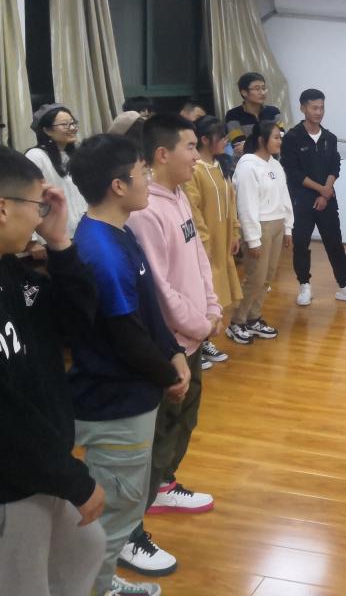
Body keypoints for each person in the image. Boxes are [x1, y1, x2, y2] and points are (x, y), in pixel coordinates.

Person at [69, 134, 190, 596]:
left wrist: (173, 351)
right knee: (117, 511)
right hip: (117, 404)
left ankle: (100, 583)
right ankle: (96, 589)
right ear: (118, 186)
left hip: (136, 392)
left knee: (125, 504)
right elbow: (126, 335)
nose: (148, 180)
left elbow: (147, 309)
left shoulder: (119, 231)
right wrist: (168, 376)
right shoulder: (99, 250)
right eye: (142, 173)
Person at [0, 146, 106, 596]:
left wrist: (60, 244)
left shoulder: (13, 271)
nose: (39, 216)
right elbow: (7, 416)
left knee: (84, 549)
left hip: (41, 465)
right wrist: (72, 480)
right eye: (36, 205)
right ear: (3, 209)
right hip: (13, 479)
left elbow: (75, 323)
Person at [122, 114, 220, 577]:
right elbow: (159, 291)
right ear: (162, 154)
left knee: (184, 420)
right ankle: (128, 532)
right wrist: (198, 325)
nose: (197, 155)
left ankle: (163, 486)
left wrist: (212, 307)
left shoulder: (179, 195)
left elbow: (198, 257)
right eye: (190, 147)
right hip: (169, 343)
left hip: (193, 335)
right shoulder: (145, 212)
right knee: (155, 437)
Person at [280, 89, 346, 309]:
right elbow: (293, 172)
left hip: (327, 200)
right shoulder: (292, 138)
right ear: (303, 108)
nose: (319, 112)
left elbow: (334, 166)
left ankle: (345, 286)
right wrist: (321, 190)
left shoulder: (329, 137)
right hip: (302, 200)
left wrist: (326, 191)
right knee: (301, 243)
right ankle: (304, 285)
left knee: (334, 243)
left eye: (322, 107)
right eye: (314, 108)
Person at [184, 116, 244, 358]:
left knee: (217, 291)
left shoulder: (221, 165)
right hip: (206, 242)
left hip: (224, 239)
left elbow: (231, 201)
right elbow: (193, 208)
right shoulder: (194, 170)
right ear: (205, 139)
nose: (225, 141)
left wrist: (235, 231)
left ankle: (206, 338)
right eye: (221, 137)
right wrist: (204, 241)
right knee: (203, 290)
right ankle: (199, 343)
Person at [230, 121, 293, 342]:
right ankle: (237, 322)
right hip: (260, 228)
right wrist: (252, 239)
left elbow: (284, 196)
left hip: (277, 224)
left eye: (280, 137)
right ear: (261, 140)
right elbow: (246, 205)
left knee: (267, 277)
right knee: (255, 278)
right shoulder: (248, 166)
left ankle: (253, 318)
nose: (279, 141)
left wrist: (288, 227)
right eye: (275, 137)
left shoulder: (275, 165)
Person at [25, 103, 88, 238]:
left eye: (73, 123)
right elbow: (28, 198)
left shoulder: (76, 155)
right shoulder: (36, 156)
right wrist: (32, 239)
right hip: (54, 236)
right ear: (47, 130)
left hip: (82, 230)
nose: (72, 128)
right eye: (65, 124)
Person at [224, 72, 282, 137]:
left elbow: (281, 135)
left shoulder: (274, 112)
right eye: (257, 89)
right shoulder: (233, 115)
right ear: (244, 92)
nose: (262, 93)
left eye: (263, 88)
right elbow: (238, 141)